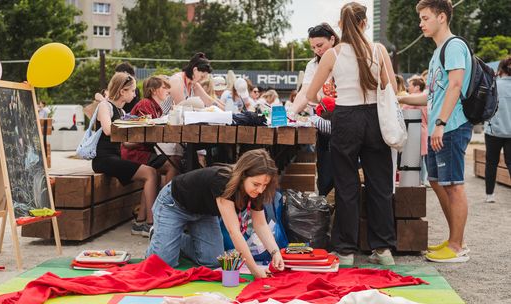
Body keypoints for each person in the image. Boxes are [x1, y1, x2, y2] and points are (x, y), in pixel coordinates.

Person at [307, 2, 397, 266]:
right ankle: (383, 249)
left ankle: (345, 251)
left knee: (346, 185)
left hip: (345, 118)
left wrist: (331, 91)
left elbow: (312, 95)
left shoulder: (333, 55)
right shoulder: (378, 50)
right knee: (380, 184)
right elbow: (390, 88)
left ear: (340, 25)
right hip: (374, 117)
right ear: (364, 23)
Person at [398, 0, 473, 263]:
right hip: (441, 127)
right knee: (437, 181)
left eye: (425, 17)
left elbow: (455, 86)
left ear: (442, 17)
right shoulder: (438, 51)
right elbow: (433, 95)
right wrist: (401, 98)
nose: (421, 23)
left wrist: (440, 123)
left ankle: (457, 246)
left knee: (453, 185)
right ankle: (455, 238)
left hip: (451, 126)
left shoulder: (453, 46)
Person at [146, 149, 285, 278]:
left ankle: (176, 239)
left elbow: (260, 224)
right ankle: (159, 237)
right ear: (243, 176)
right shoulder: (223, 181)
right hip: (174, 205)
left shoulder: (257, 191)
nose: (260, 190)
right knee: (163, 265)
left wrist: (275, 252)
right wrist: (254, 270)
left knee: (213, 261)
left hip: (204, 213)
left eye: (264, 185)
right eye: (256, 184)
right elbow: (233, 231)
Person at [91, 72, 158, 237]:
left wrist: (143, 139)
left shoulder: (120, 111)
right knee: (150, 173)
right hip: (104, 159)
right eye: (132, 91)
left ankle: (142, 222)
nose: (135, 94)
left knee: (150, 171)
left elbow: (123, 143)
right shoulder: (105, 106)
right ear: (122, 91)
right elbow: (108, 130)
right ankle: (151, 224)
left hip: (115, 156)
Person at [290, 22, 340, 197]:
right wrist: (291, 112)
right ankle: (326, 208)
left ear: (332, 39)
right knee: (325, 172)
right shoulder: (312, 65)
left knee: (347, 173)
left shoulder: (346, 57)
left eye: (320, 45)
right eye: (313, 47)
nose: (317, 50)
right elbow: (305, 92)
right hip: (324, 120)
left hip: (348, 118)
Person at [121, 76, 180, 188]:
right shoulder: (145, 104)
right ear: (153, 90)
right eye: (164, 87)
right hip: (135, 152)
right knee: (173, 164)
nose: (168, 91)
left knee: (175, 160)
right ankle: (165, 201)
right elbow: (148, 130)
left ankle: (149, 205)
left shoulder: (156, 107)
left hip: (142, 150)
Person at [484, 56, 511, 203]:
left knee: (491, 163)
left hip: (493, 130)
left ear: (500, 70)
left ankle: (490, 194)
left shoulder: (494, 86)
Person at [404, 76, 429, 185]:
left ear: (417, 87)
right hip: (424, 130)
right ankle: (424, 179)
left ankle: (419, 181)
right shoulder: (426, 99)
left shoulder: (413, 99)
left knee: (415, 158)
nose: (408, 87)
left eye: (410, 85)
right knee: (422, 158)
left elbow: (402, 111)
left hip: (414, 131)